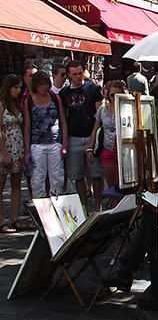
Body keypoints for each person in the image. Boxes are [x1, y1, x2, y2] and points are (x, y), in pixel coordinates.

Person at [59, 60, 103, 212]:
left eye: (80, 73)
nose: (78, 77)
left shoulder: (93, 89)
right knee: (77, 174)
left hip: (91, 135)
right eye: (75, 74)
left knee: (96, 173)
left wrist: (95, 136)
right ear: (69, 75)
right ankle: (83, 206)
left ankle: (98, 205)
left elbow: (99, 114)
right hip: (74, 136)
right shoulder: (64, 93)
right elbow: (63, 117)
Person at [23, 72, 67, 200]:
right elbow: (27, 127)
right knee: (37, 179)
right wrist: (27, 151)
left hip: (55, 143)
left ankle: (57, 205)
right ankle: (40, 209)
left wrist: (64, 145)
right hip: (37, 144)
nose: (44, 87)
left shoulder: (55, 99)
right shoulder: (29, 102)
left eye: (46, 84)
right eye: (41, 84)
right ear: (35, 85)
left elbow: (63, 122)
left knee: (57, 177)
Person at [0, 75, 29, 232]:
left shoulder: (18, 104)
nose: (18, 91)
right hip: (4, 148)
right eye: (15, 87)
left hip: (17, 147)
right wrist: (4, 154)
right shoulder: (1, 104)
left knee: (16, 184)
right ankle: (1, 221)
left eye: (20, 88)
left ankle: (15, 218)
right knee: (1, 185)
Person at [87, 81, 125, 200]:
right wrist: (90, 148)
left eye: (118, 94)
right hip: (107, 149)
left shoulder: (126, 108)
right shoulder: (103, 109)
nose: (115, 98)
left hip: (122, 151)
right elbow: (95, 129)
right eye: (113, 95)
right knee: (110, 185)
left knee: (122, 184)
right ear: (108, 95)